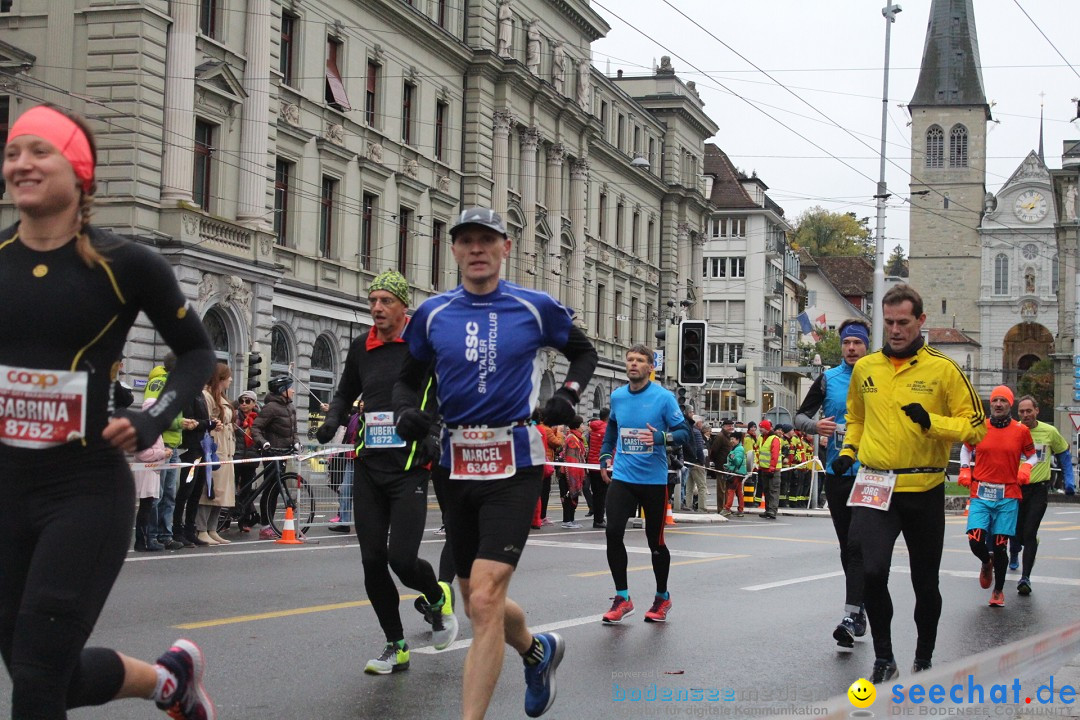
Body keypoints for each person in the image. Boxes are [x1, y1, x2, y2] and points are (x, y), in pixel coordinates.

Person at [0, 104, 217, 718]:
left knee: (37, 683)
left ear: (80, 170)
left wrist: (153, 417)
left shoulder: (126, 264)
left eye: (39, 151)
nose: (21, 163)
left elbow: (197, 354)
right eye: (13, 151)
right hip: (4, 488)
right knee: (43, 673)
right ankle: (168, 682)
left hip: (83, 490)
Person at [393, 207, 597, 719]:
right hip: (454, 464)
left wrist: (569, 394)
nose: (477, 249)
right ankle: (536, 651)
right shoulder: (433, 314)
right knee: (473, 598)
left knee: (483, 599)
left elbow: (584, 353)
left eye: (488, 239)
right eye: (467, 240)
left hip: (515, 463)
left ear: (506, 248)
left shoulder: (535, 307)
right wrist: (406, 413)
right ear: (455, 250)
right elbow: (406, 380)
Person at [836, 284, 985, 683]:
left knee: (925, 582)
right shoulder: (866, 368)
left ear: (921, 321)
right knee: (870, 571)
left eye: (903, 322)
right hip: (875, 484)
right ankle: (884, 657)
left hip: (923, 488)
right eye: (888, 323)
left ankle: (924, 655)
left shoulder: (943, 368)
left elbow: (977, 429)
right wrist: (848, 451)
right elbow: (857, 418)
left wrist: (932, 422)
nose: (896, 330)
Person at [314, 269, 458, 674]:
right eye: (372, 300)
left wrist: (432, 432)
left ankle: (435, 595)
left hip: (410, 468)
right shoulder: (362, 347)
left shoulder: (423, 347)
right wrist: (333, 422)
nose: (376, 307)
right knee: (372, 560)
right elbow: (345, 390)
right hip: (370, 466)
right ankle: (396, 645)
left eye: (385, 301)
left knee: (402, 558)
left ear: (402, 306)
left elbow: (445, 395)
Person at [598, 345, 688, 625]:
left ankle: (662, 597)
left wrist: (661, 438)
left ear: (651, 367)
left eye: (640, 361)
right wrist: (604, 454)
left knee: (656, 542)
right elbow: (612, 426)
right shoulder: (618, 396)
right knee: (613, 532)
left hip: (653, 481)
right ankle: (622, 598)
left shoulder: (663, 398)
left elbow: (683, 432)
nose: (633, 364)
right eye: (630, 360)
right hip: (623, 478)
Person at [794, 317, 870, 648]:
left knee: (858, 545)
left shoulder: (879, 375)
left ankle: (852, 614)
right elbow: (800, 416)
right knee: (848, 547)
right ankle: (859, 608)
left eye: (857, 343)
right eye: (847, 344)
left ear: (867, 345)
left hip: (872, 474)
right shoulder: (828, 379)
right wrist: (816, 427)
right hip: (838, 474)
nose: (851, 349)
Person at [957, 385, 1036, 608]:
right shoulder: (980, 426)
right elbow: (966, 449)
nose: (998, 404)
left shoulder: (1021, 431)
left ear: (1010, 404)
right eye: (995, 400)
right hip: (981, 492)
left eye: (1003, 400)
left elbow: (1032, 456)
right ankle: (985, 561)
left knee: (1001, 545)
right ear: (990, 404)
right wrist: (965, 468)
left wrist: (1025, 469)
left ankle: (998, 591)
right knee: (975, 539)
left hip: (1008, 493)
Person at [1012, 395, 1075, 594]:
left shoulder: (1050, 432)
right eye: (1021, 412)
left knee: (1029, 533)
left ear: (1037, 411)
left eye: (1028, 411)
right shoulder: (1013, 430)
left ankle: (1025, 578)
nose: (1025, 415)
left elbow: (1063, 454)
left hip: (1038, 489)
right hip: (1014, 489)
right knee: (1015, 534)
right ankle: (1014, 551)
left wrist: (1069, 481)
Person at [250, 374, 300, 540]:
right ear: (282, 391)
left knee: (276, 489)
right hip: (272, 453)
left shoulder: (290, 407)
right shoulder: (271, 407)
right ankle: (265, 525)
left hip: (284, 454)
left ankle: (268, 523)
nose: (293, 391)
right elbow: (255, 428)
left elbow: (293, 431)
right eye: (290, 388)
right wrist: (264, 443)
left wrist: (296, 443)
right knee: (269, 489)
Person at [196, 361, 235, 545]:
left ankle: (213, 528)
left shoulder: (222, 397)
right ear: (220, 378)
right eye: (228, 377)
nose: (231, 380)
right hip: (214, 446)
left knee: (221, 491)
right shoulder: (207, 395)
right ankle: (201, 528)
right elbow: (207, 419)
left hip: (226, 448)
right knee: (210, 489)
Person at [231, 389, 261, 532]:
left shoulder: (258, 418)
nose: (244, 404)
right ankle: (225, 520)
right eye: (242, 401)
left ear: (254, 403)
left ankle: (243, 521)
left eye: (247, 401)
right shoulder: (235, 416)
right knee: (231, 488)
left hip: (251, 458)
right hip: (236, 457)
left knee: (246, 491)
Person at [586, 408, 610, 528]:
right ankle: (599, 520)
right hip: (604, 465)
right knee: (603, 494)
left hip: (592, 464)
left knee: (596, 494)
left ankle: (598, 518)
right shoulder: (607, 430)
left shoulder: (593, 429)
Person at [756, 420, 781, 519]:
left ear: (767, 428)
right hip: (764, 469)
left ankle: (772, 511)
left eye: (762, 429)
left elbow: (774, 455)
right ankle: (768, 510)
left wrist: (771, 467)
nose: (760, 430)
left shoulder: (774, 439)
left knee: (773, 491)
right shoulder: (762, 438)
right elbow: (758, 450)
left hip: (773, 470)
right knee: (766, 490)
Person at [721, 434, 747, 516]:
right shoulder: (738, 448)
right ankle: (740, 509)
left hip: (736, 473)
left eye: (733, 439)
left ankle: (727, 508)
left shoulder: (738, 449)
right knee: (739, 492)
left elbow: (737, 462)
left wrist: (732, 458)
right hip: (739, 473)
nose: (731, 441)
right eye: (731, 439)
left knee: (730, 491)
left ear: (738, 439)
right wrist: (727, 465)